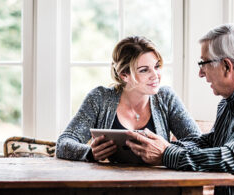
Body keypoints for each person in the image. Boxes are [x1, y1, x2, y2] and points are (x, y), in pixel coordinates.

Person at [126, 24, 234, 194]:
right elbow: (211, 142)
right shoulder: (230, 101)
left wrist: (166, 154)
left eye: (204, 63)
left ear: (227, 66)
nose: (201, 73)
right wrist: (156, 147)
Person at [56, 36, 201, 162]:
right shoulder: (99, 98)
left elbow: (198, 143)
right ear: (123, 74)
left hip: (158, 184)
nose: (155, 75)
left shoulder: (166, 98)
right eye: (144, 70)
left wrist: (166, 149)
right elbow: (63, 143)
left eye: (157, 66)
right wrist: (89, 153)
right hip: (107, 184)